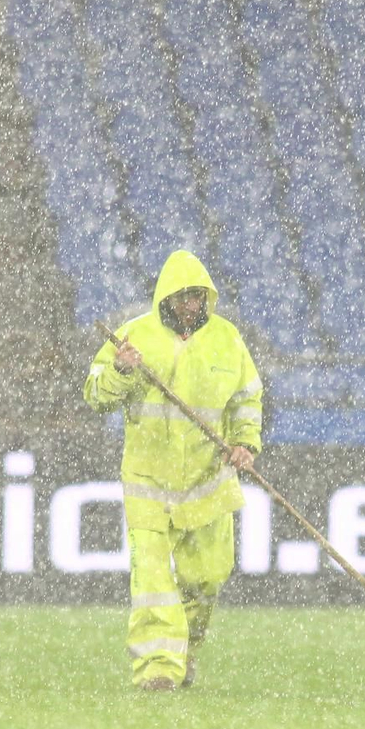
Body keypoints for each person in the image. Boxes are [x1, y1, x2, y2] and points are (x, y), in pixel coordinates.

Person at [83, 249, 263, 693]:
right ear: (167, 297)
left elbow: (246, 398)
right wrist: (123, 370)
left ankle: (185, 652)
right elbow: (96, 394)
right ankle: (158, 669)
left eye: (197, 297)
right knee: (153, 580)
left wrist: (244, 444)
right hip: (149, 481)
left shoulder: (228, 339)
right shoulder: (132, 336)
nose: (190, 305)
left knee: (208, 578)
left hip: (208, 481)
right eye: (183, 297)